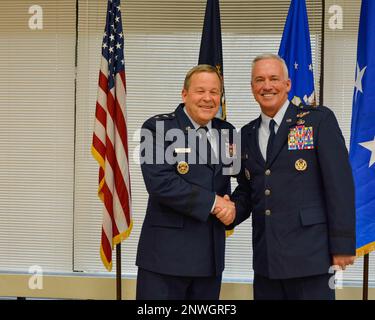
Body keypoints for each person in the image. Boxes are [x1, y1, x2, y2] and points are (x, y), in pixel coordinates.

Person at [229, 54, 356, 300]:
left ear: (287, 84)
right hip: (267, 260)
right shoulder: (245, 134)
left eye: (274, 78)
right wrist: (228, 210)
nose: (267, 86)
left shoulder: (318, 121)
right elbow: (248, 190)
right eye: (259, 80)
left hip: (311, 258)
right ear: (252, 87)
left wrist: (342, 244)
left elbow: (339, 185)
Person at [136, 64, 236, 300]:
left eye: (214, 92)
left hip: (210, 258)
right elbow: (160, 183)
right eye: (200, 91)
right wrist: (215, 203)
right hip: (166, 259)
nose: (208, 99)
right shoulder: (157, 128)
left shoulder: (228, 132)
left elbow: (242, 180)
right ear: (184, 94)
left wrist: (235, 206)